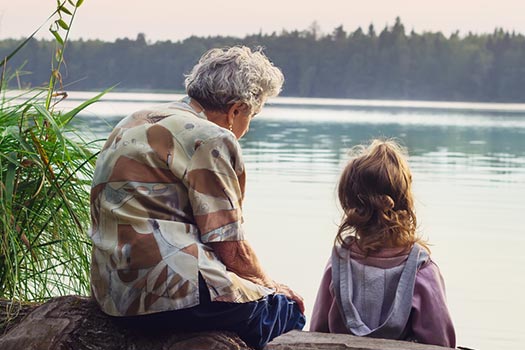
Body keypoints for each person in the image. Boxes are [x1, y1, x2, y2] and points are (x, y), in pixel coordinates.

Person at [89, 46, 305, 349]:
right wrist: (271, 287)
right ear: (236, 110)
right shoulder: (211, 137)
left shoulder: (136, 120)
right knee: (286, 311)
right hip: (172, 296)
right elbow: (230, 247)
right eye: (252, 115)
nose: (247, 125)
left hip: (112, 295)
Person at [310, 139, 456, 348]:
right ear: (405, 202)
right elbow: (440, 342)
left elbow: (317, 332)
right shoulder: (422, 270)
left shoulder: (339, 265)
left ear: (350, 205)